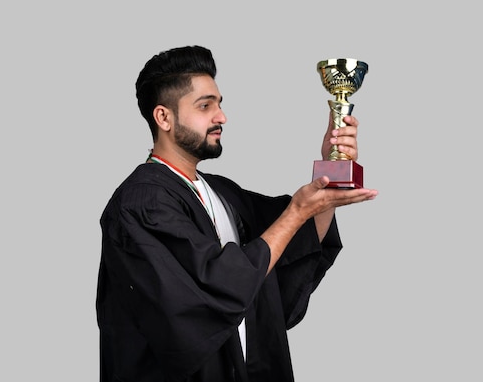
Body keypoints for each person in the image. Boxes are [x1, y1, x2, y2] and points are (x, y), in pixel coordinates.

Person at [95, 45, 378, 382]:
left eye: (219, 104)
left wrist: (330, 173)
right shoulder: (141, 204)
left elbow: (288, 246)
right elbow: (213, 290)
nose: (221, 117)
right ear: (164, 117)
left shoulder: (222, 192)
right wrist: (299, 211)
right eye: (205, 106)